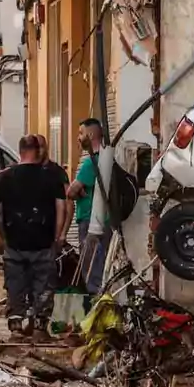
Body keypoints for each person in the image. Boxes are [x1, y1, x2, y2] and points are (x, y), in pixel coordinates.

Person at [0, 135, 67, 340]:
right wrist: (57, 236)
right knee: (43, 284)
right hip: (43, 242)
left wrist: (4, 236)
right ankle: (39, 328)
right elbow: (61, 208)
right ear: (38, 150)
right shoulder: (52, 177)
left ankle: (16, 327)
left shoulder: (5, 177)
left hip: (14, 242)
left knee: (15, 284)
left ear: (20, 151)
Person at [67, 119, 111, 294]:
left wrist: (79, 190)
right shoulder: (106, 159)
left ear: (90, 135)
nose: (78, 138)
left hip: (90, 220)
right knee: (101, 264)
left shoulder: (91, 163)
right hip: (105, 221)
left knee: (91, 266)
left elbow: (71, 192)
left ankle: (95, 302)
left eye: (80, 133)